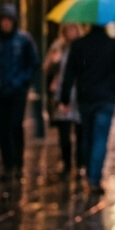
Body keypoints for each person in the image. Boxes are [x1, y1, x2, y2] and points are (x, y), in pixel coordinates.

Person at [60, 24, 115, 192]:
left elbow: (69, 72)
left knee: (87, 135)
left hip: (85, 98)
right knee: (100, 138)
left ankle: (88, 170)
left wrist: (64, 97)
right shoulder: (113, 44)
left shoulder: (78, 45)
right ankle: (94, 177)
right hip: (105, 98)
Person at [0, 4, 40, 176]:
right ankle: (7, 164)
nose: (6, 24)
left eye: (9, 21)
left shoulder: (24, 40)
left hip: (17, 91)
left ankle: (17, 162)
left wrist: (21, 81)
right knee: (2, 128)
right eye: (3, 21)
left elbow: (33, 64)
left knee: (15, 125)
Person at [44, 23, 84, 175]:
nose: (70, 32)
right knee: (64, 130)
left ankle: (80, 163)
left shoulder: (82, 46)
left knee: (80, 131)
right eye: (67, 29)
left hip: (79, 92)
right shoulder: (58, 46)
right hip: (62, 91)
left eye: (73, 28)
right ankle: (66, 162)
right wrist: (53, 61)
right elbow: (47, 67)